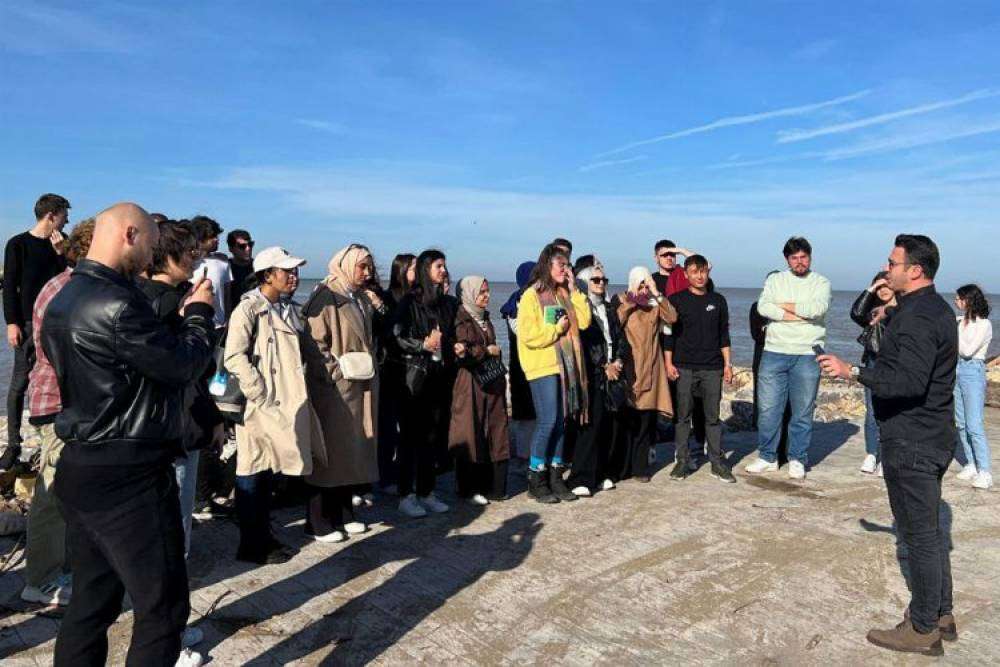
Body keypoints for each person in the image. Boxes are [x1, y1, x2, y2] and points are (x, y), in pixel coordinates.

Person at [42, 202, 214, 667]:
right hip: (129, 474)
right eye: (152, 245)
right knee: (163, 610)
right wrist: (200, 315)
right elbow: (183, 366)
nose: (153, 257)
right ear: (130, 235)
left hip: (82, 464)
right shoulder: (117, 304)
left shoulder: (64, 298)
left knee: (91, 603)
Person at [819, 234, 957, 656]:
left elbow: (908, 382)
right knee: (930, 532)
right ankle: (941, 615)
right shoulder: (932, 308)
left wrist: (852, 371)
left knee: (919, 537)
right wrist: (888, 313)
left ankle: (923, 629)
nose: (887, 268)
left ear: (915, 270)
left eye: (893, 263)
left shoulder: (918, 317)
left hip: (912, 438)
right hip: (931, 434)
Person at [224, 246, 325, 564]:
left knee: (267, 472)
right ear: (268, 275)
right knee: (252, 471)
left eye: (295, 271)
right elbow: (234, 356)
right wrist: (259, 392)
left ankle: (263, 538)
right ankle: (252, 544)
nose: (294, 276)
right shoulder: (249, 309)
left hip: (282, 404)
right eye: (287, 271)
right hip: (260, 407)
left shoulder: (288, 309)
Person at [139, 222, 225, 560]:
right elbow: (192, 368)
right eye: (191, 251)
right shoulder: (169, 303)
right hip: (174, 425)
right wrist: (199, 312)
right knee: (174, 513)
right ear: (169, 255)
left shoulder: (134, 296)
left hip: (149, 426)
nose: (197, 258)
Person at [21, 218, 94, 608]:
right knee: (52, 493)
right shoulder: (65, 290)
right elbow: (62, 353)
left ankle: (60, 568)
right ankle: (41, 579)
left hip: (67, 402)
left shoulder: (72, 287)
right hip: (57, 403)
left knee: (67, 491)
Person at [301, 245, 381, 542]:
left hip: (359, 385)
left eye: (370, 267)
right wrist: (335, 373)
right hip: (335, 389)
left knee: (352, 451)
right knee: (330, 453)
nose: (367, 272)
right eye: (362, 267)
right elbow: (313, 343)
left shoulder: (358, 297)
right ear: (346, 265)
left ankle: (344, 513)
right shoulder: (326, 296)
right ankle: (318, 521)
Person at [745, 236, 831, 480]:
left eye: (804, 257)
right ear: (787, 259)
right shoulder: (775, 280)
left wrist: (782, 307)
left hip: (807, 353)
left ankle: (797, 458)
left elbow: (817, 309)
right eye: (794, 258)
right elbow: (763, 307)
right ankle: (767, 457)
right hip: (774, 351)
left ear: (810, 257)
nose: (800, 262)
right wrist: (797, 314)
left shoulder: (821, 282)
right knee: (768, 410)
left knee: (802, 411)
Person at [517, 244, 591, 503]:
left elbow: (584, 322)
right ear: (547, 266)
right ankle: (536, 478)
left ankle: (556, 477)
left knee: (561, 422)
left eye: (568, 265)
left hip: (565, 367)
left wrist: (575, 291)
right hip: (542, 366)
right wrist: (556, 330)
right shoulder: (532, 295)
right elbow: (528, 335)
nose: (566, 269)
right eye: (561, 265)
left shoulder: (564, 294)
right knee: (547, 421)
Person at [2, 193, 70, 471]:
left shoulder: (62, 244)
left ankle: (52, 441)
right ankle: (13, 444)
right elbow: (9, 286)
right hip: (27, 324)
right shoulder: (18, 244)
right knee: (19, 383)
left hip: (56, 324)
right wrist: (11, 323)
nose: (66, 221)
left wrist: (62, 253)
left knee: (57, 381)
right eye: (64, 216)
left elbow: (69, 278)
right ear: (51, 215)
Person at [392, 249, 457, 517]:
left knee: (433, 436)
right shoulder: (410, 301)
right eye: (438, 266)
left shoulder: (446, 303)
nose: (443, 270)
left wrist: (455, 346)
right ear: (426, 269)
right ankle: (406, 494)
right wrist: (422, 345)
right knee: (410, 437)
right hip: (414, 379)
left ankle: (426, 492)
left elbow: (450, 335)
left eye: (444, 266)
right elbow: (396, 336)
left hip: (439, 376)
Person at [665, 255, 735, 482]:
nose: (699, 276)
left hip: (712, 367)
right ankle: (682, 461)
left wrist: (727, 364)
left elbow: (724, 335)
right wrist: (668, 363)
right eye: (694, 272)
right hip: (684, 366)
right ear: (686, 275)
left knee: (712, 417)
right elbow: (668, 335)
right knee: (682, 417)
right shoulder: (676, 300)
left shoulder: (718, 300)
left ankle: (717, 462)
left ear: (708, 272)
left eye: (703, 271)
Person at [448, 276, 511, 504]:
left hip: (490, 379)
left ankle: (493, 485)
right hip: (470, 382)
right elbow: (462, 351)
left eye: (487, 291)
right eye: (481, 292)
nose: (487, 296)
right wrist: (487, 351)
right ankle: (469, 487)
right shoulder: (461, 318)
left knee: (494, 428)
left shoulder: (484, 317)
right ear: (469, 294)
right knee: (470, 429)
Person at [565, 263, 627, 496]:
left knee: (610, 425)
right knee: (590, 425)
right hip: (592, 374)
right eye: (596, 280)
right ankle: (580, 477)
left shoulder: (609, 309)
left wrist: (618, 361)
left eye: (604, 280)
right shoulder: (581, 309)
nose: (601, 284)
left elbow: (619, 338)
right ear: (585, 282)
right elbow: (583, 344)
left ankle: (603, 473)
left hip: (613, 372)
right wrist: (603, 366)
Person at [615, 266, 677, 483]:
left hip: (651, 368)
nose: (643, 288)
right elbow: (615, 323)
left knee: (645, 422)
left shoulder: (654, 304)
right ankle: (623, 467)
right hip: (630, 368)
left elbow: (672, 317)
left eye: (646, 283)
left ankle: (640, 467)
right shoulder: (622, 300)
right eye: (640, 284)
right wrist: (631, 302)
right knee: (627, 420)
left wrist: (656, 292)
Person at [375, 253, 417, 492]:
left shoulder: (418, 297)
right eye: (413, 268)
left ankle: (404, 472)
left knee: (409, 426)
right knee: (388, 427)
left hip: (413, 369)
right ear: (402, 271)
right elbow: (386, 331)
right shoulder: (387, 297)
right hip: (390, 367)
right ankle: (386, 475)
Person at [850, 271, 897, 476]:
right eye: (879, 287)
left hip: (895, 365)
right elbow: (856, 313)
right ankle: (871, 453)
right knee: (872, 411)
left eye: (887, 285)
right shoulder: (873, 312)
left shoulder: (903, 310)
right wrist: (871, 288)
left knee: (891, 411)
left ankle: (886, 457)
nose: (883, 290)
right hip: (872, 362)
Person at [952, 284, 993, 490]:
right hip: (957, 370)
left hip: (973, 371)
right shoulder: (960, 321)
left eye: (959, 298)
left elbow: (968, 351)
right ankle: (971, 464)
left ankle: (985, 471)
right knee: (960, 422)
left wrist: (954, 332)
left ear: (968, 300)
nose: (955, 301)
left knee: (974, 424)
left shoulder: (984, 324)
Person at [499, 261, 537, 460]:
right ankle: (524, 455)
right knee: (525, 415)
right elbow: (523, 333)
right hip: (521, 367)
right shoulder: (514, 305)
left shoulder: (541, 301)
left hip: (537, 365)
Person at [188, 215, 232, 328]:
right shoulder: (186, 263)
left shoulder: (223, 262)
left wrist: (228, 319)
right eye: (212, 236)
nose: (216, 239)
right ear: (199, 238)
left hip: (219, 326)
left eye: (216, 235)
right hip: (192, 325)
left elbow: (227, 295)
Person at [226, 228, 255, 313]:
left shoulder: (259, 268)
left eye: (250, 244)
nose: (248, 248)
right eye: (242, 246)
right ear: (231, 249)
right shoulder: (225, 268)